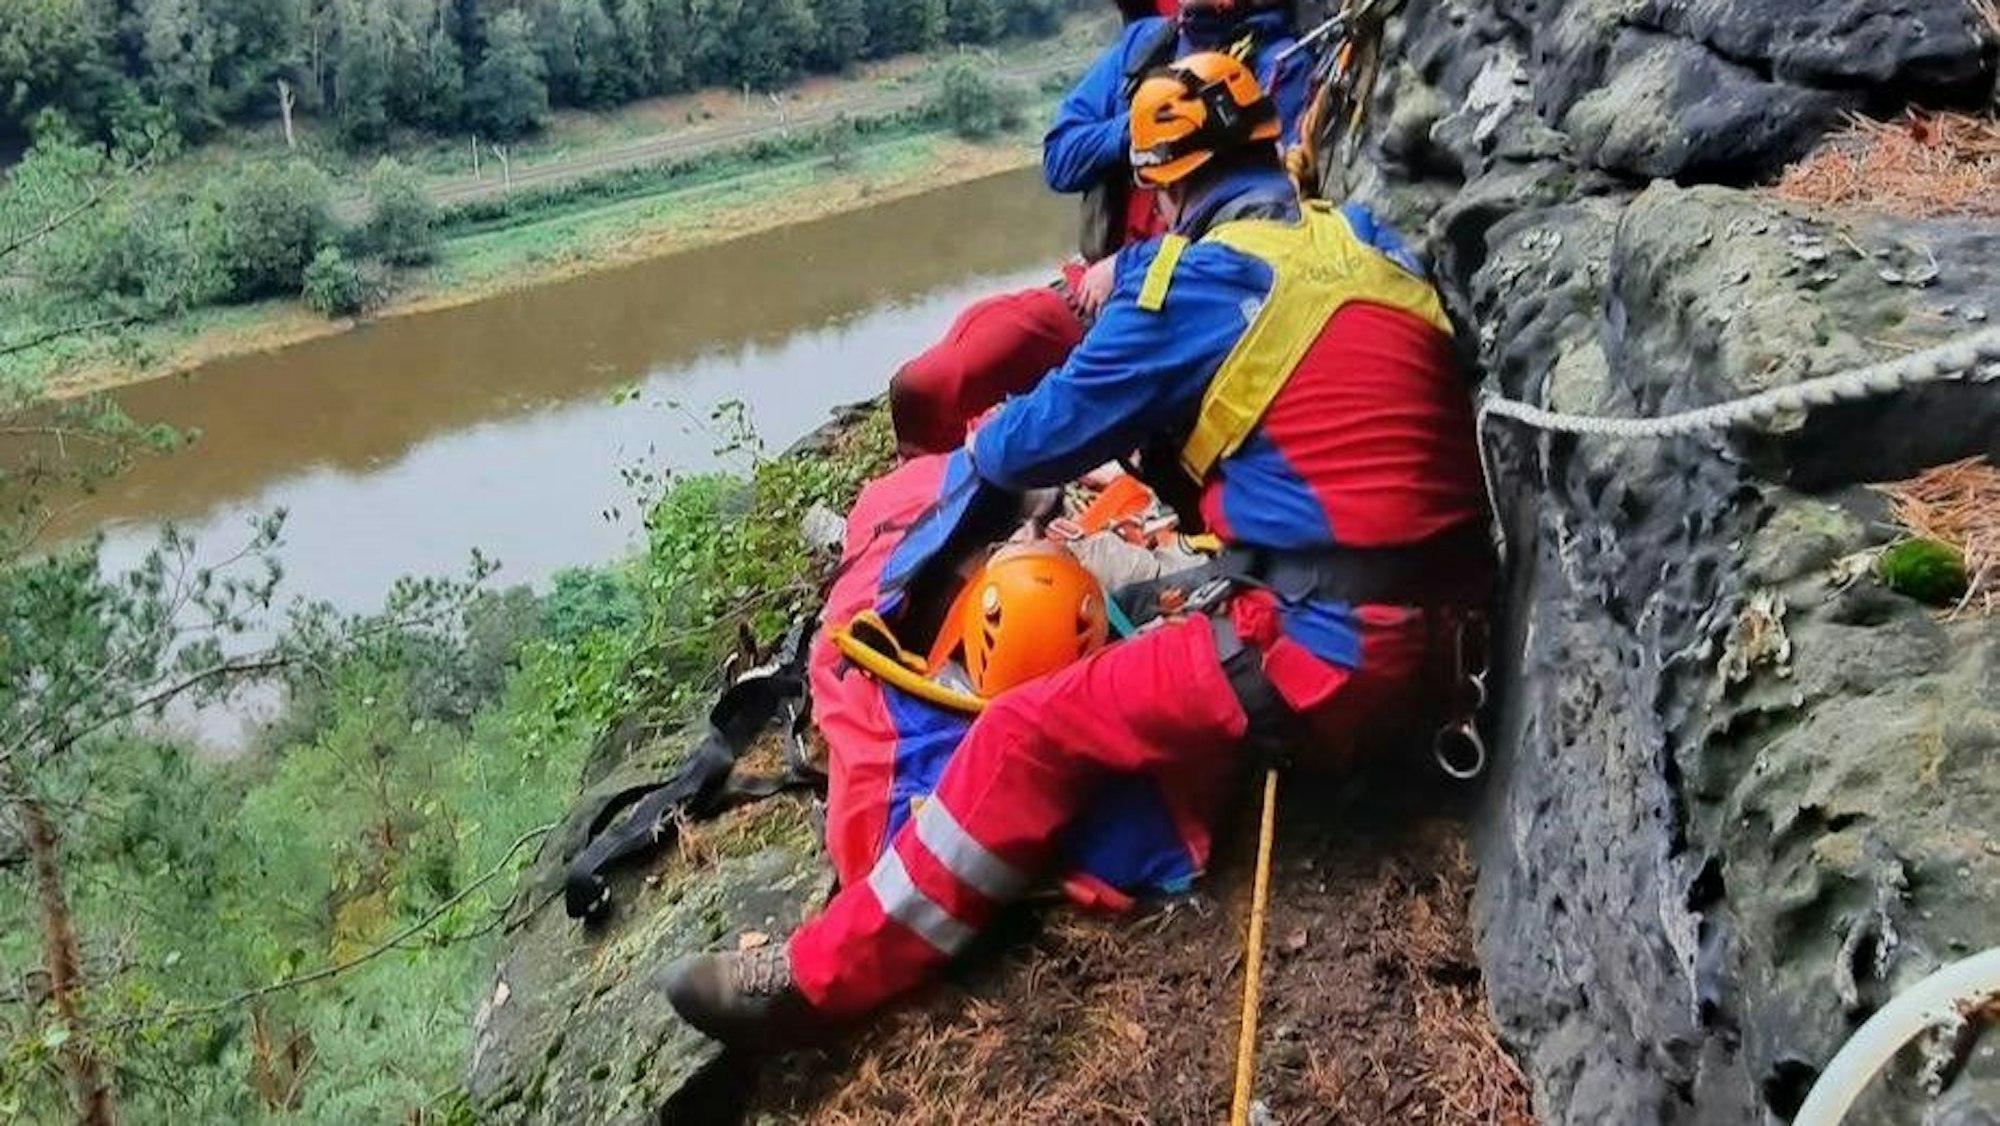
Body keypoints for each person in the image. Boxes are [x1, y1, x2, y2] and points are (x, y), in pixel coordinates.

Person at [665, 52, 1493, 1047]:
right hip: (1458, 639)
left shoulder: (1189, 287)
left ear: (1163, 187)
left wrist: (969, 493)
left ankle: (816, 981)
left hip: (1334, 657)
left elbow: (1026, 443)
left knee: (1027, 730)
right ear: (1268, 148)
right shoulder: (1362, 241)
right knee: (1157, 595)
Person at [887, 0, 1311, 458]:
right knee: (926, 384)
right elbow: (1061, 159)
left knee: (1053, 428)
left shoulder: (1282, 65)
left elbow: (1269, 225)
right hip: (1094, 294)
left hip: (1189, 311)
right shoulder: (1147, 46)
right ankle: (931, 491)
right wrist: (1150, 125)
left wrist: (1129, 265)